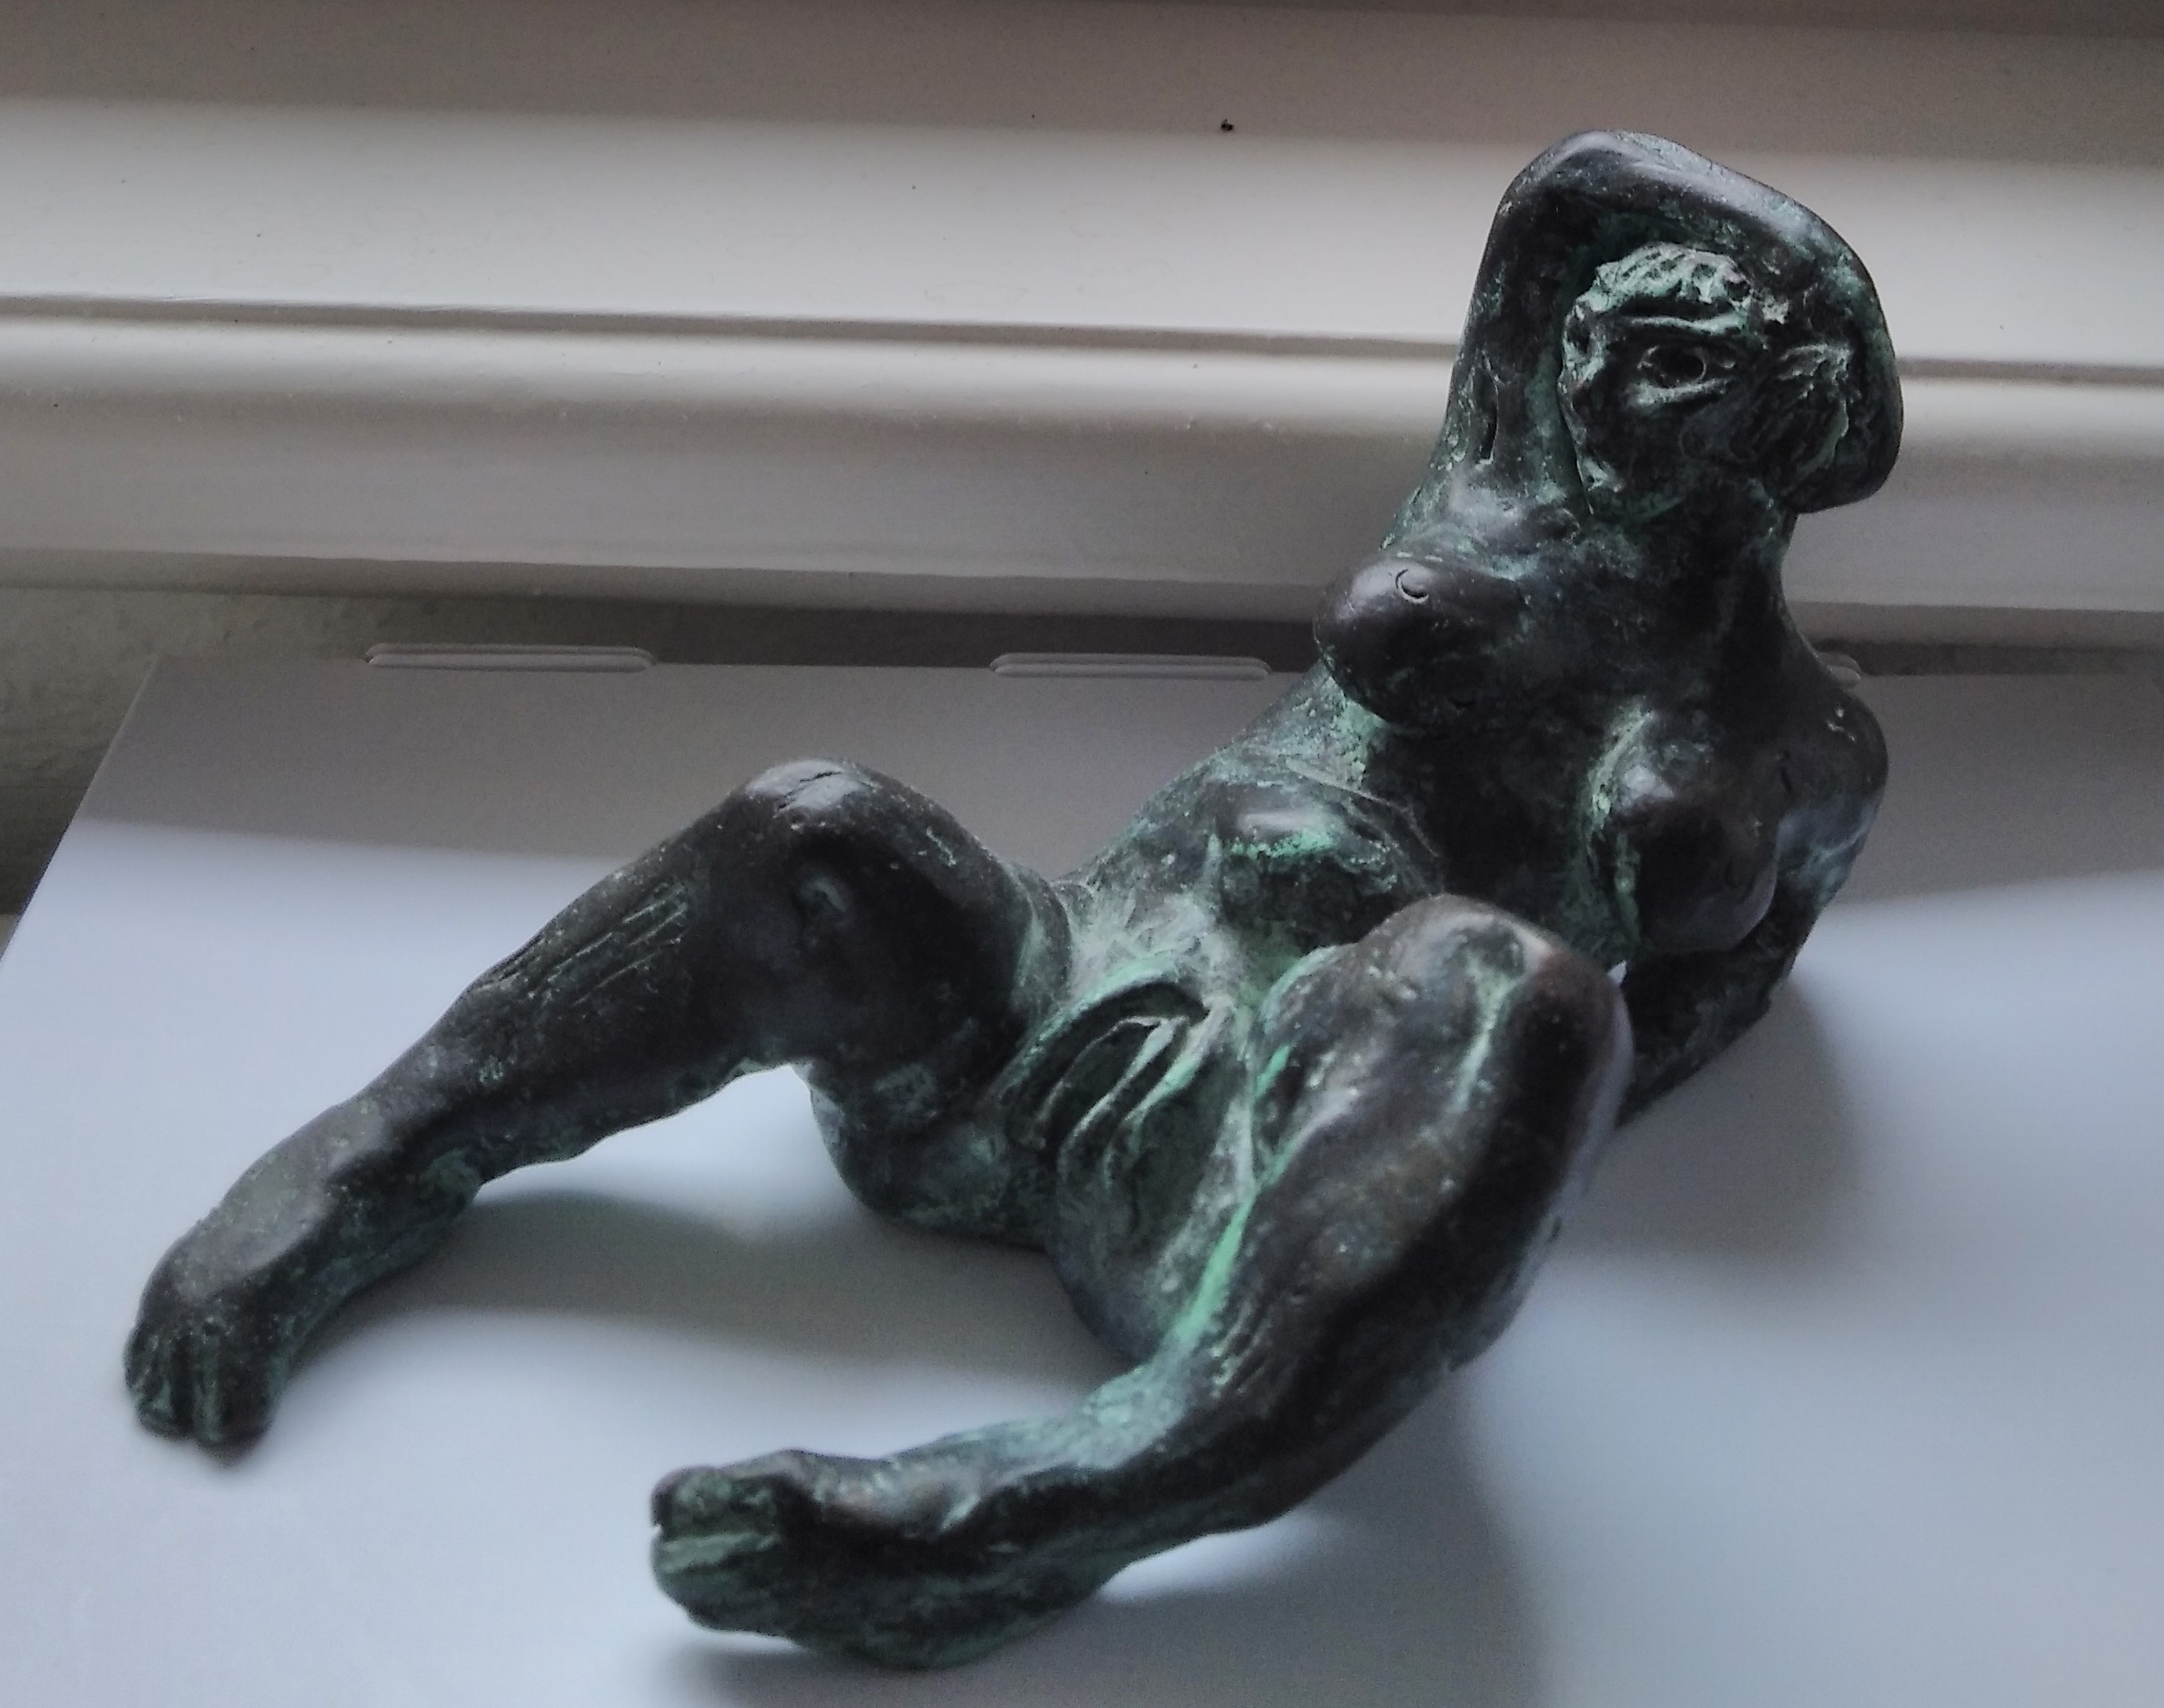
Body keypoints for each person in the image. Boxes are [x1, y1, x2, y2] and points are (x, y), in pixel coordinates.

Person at [126, 132, 1898, 1668]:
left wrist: (1448, 1141)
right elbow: (1566, 199)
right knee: (816, 826)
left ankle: (1053, 1498)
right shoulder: (1493, 490)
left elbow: (1684, 1016)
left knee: (1518, 990)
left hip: (1232, 1176)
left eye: (1681, 372)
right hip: (1039, 996)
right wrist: (1794, 279)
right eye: (1603, 353)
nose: (1607, 397)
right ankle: (375, 1155)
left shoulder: (1801, 746)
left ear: (1779, 418)